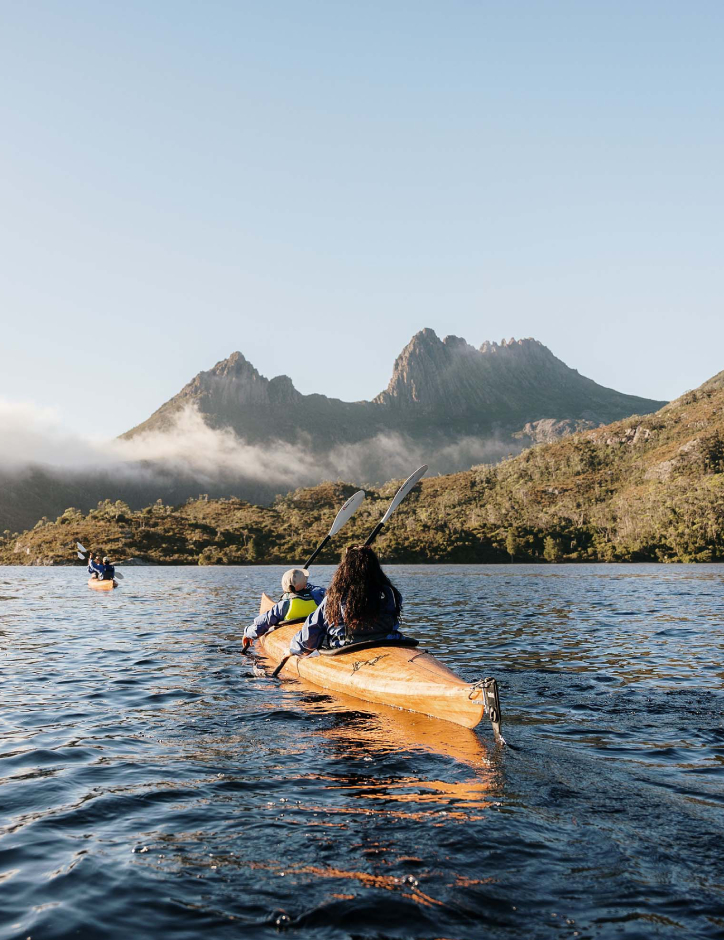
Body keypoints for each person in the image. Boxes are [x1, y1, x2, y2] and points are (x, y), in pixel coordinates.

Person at [289, 546, 403, 657]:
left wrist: (293, 648)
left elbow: (309, 637)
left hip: (346, 646)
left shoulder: (335, 597)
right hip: (387, 642)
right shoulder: (389, 593)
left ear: (344, 570)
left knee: (322, 635)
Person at [243, 568, 325, 651]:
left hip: (292, 632)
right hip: (312, 632)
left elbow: (262, 623)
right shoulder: (317, 596)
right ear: (305, 585)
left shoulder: (283, 605)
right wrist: (305, 584)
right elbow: (320, 590)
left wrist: (247, 633)